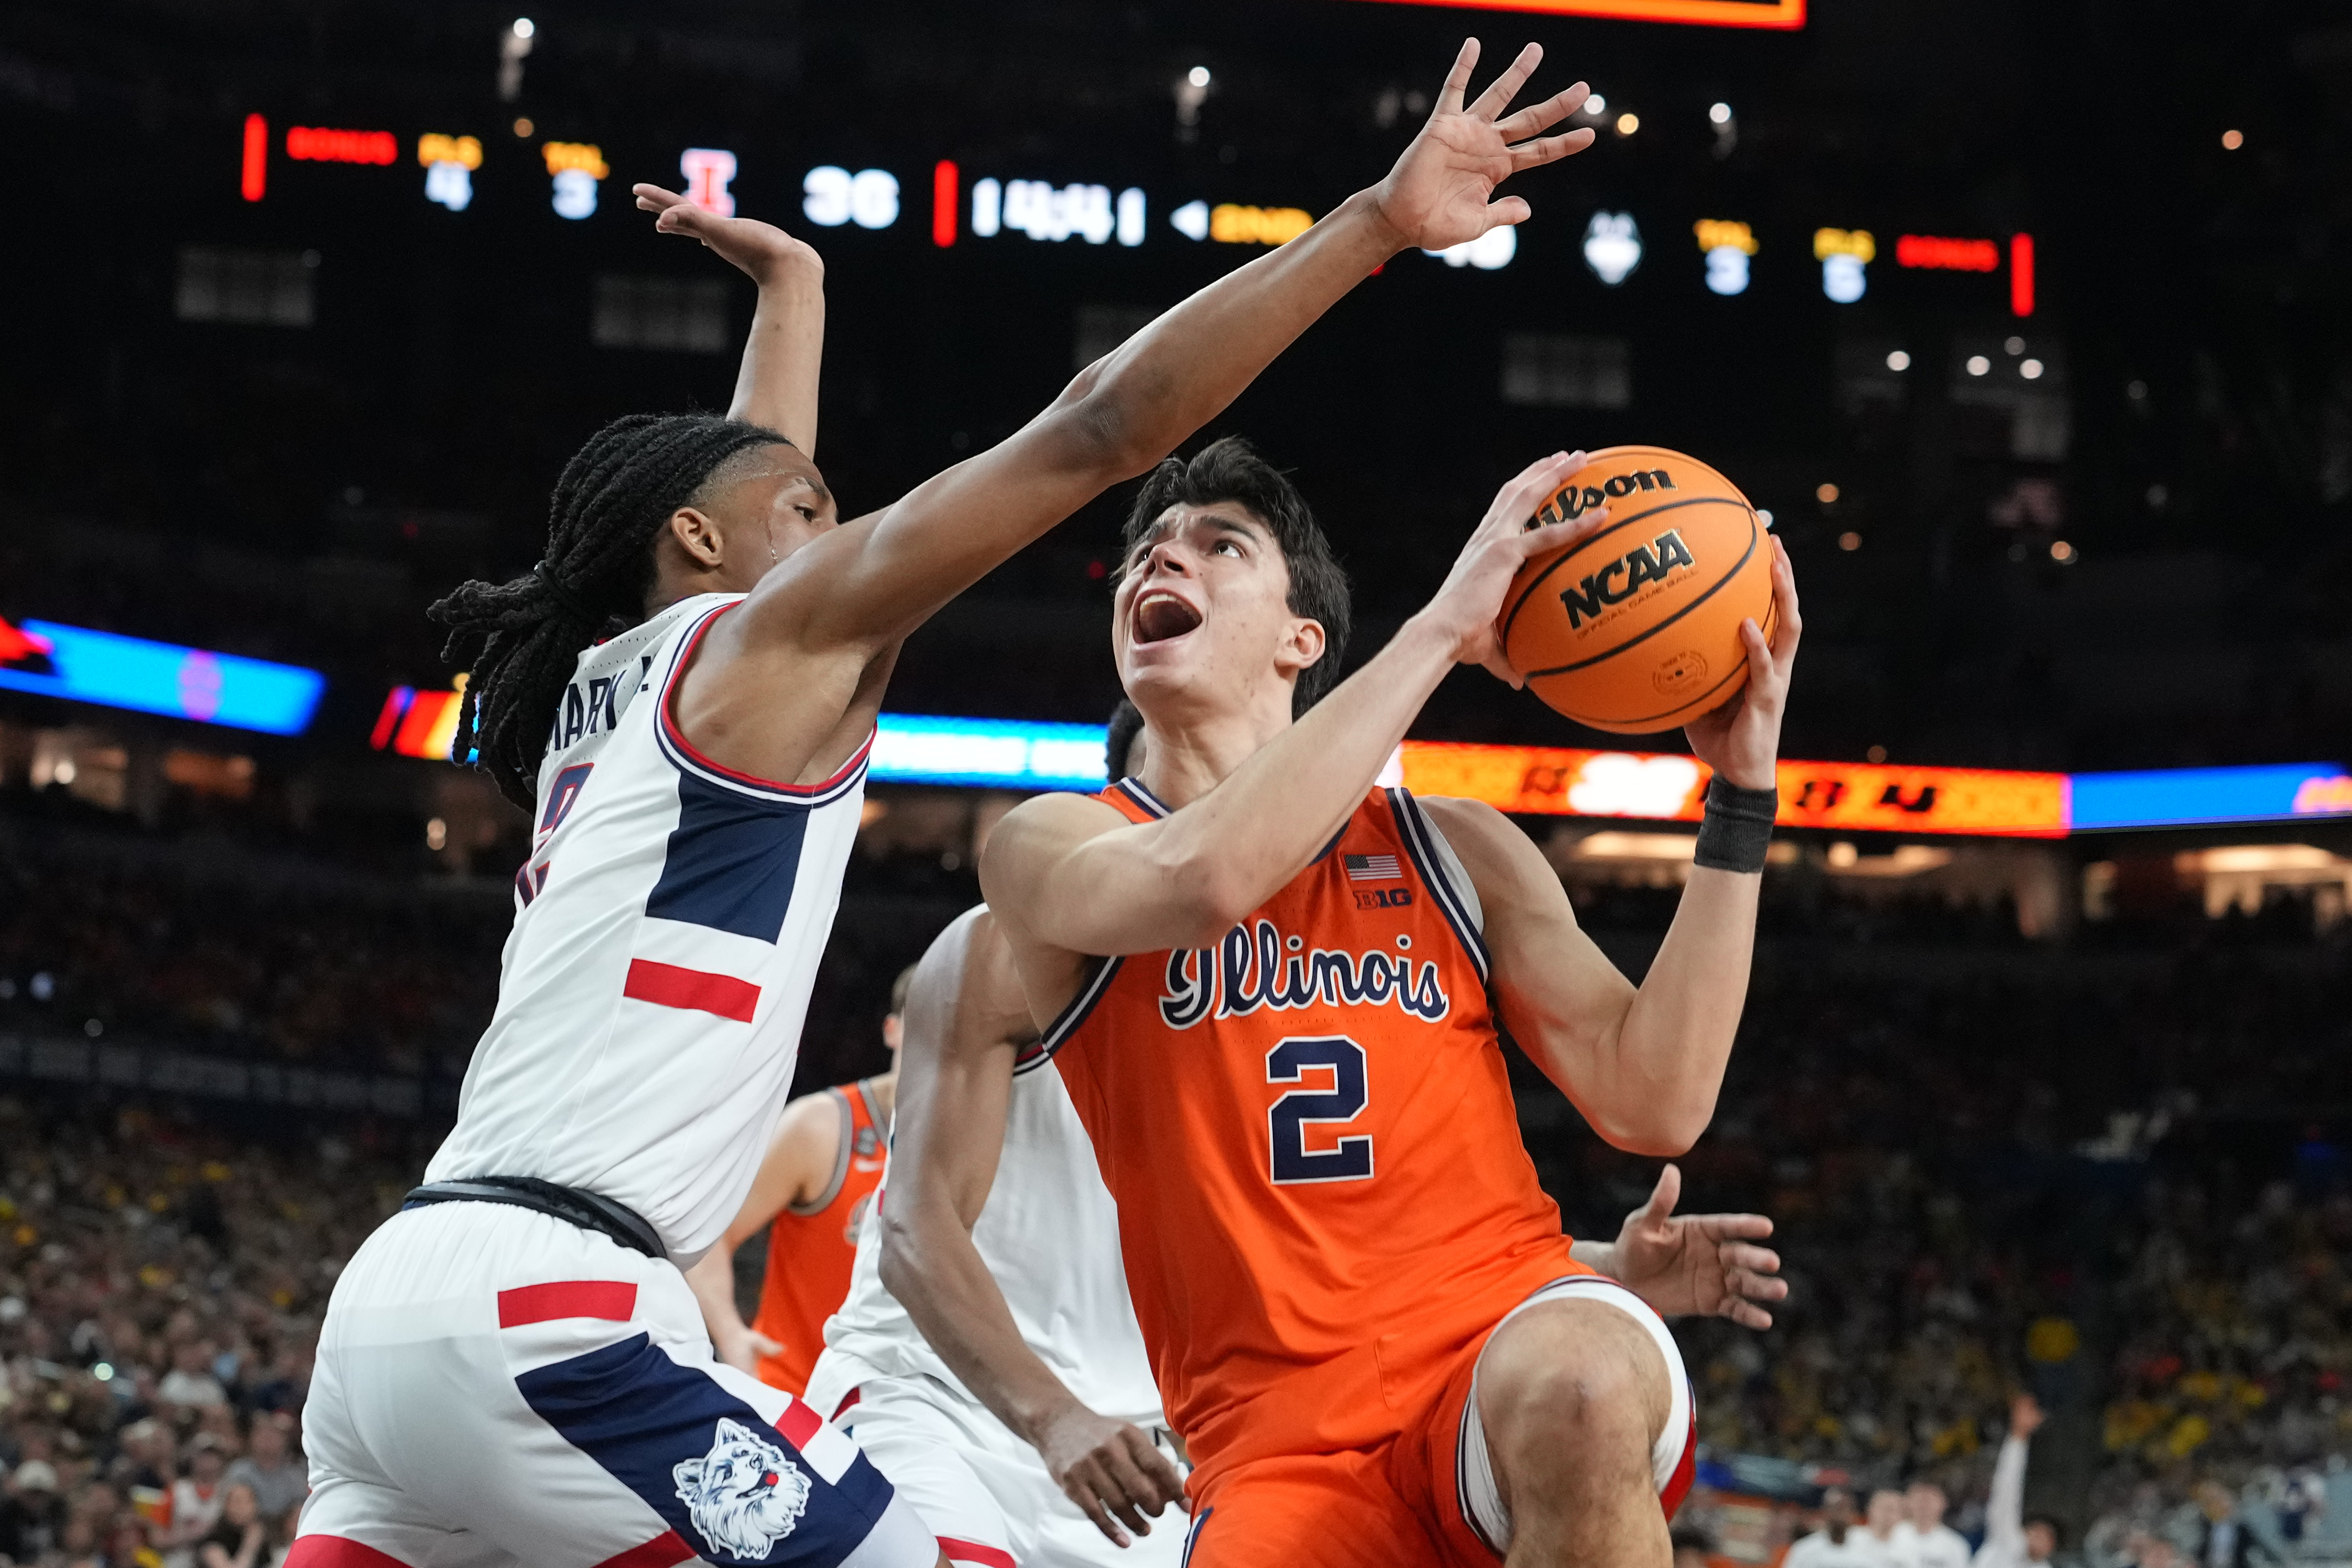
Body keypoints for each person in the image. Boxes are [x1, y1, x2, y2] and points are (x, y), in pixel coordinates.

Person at [292, 35, 1601, 1568]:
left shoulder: (626, 669)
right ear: (710, 549)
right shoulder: (756, 641)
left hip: (392, 1321)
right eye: (814, 514)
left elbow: (744, 498)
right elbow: (1104, 427)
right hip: (562, 1314)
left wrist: (798, 303)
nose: (844, 530)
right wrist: (1371, 225)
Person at [981, 424, 1802, 1568]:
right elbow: (1210, 877)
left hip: (1500, 1336)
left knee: (1577, 1388)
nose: (1163, 562)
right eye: (1146, 552)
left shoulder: (1453, 846)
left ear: (1301, 640)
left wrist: (1742, 795)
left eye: (1219, 546)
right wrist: (1443, 630)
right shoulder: (1052, 844)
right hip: (1272, 1438)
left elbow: (1655, 1098)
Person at [838, 709, 1787, 1568]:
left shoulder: (1430, 859)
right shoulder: (1011, 940)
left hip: (1154, 1434)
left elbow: (1330, 1230)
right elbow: (913, 1230)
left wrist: (1599, 1264)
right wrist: (1048, 1416)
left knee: (1579, 1383)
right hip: (986, 1403)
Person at [687, 968, 909, 1392]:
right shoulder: (822, 1127)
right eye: (925, 1025)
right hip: (798, 1400)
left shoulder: (994, 1139)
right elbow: (708, 1233)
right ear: (892, 1029)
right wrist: (730, 1333)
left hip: (912, 1420)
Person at [1972, 1397, 2058, 1568]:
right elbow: (2006, 1490)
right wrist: (2018, 1437)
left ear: (2052, 1548)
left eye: (2046, 1538)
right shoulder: (2006, 1540)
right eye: (2036, 1532)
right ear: (2024, 1533)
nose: (2039, 1539)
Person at [219, 1417, 304, 1534]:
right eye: (263, 1436)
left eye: (274, 1436)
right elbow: (231, 1505)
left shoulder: (295, 1475)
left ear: (285, 1441)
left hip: (284, 1530)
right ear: (252, 1439)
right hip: (244, 1529)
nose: (268, 1441)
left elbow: (300, 1507)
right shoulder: (239, 1470)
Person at [1787, 1489, 1890, 1568]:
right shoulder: (1805, 1549)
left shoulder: (1872, 1548)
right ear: (1825, 1512)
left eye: (1844, 1509)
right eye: (1836, 1509)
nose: (1840, 1515)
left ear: (1853, 1514)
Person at [1896, 1481, 1972, 1568]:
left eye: (1929, 1500)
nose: (1924, 1506)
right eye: (1919, 1500)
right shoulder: (1893, 1534)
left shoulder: (1955, 1545)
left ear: (1943, 1504)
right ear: (1908, 1503)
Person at [195, 1486, 265, 1568]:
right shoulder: (213, 1542)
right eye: (237, 1501)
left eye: (248, 1501)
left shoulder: (263, 1534)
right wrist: (249, 1547)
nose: (242, 1507)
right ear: (225, 1505)